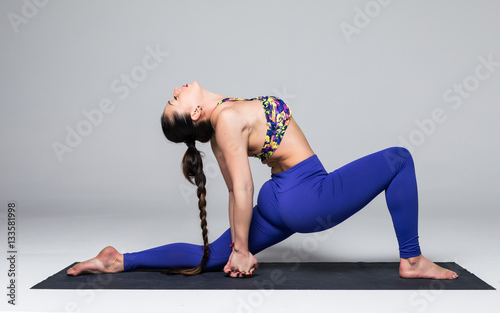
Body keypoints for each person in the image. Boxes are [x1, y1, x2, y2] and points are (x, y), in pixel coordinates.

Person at [67, 81, 458, 279]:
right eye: (175, 100)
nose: (175, 91)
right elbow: (240, 188)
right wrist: (242, 249)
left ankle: (119, 261)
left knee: (210, 257)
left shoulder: (222, 121)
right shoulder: (228, 121)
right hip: (308, 196)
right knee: (399, 159)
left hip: (282, 198)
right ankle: (412, 259)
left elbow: (239, 189)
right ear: (197, 110)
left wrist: (236, 248)